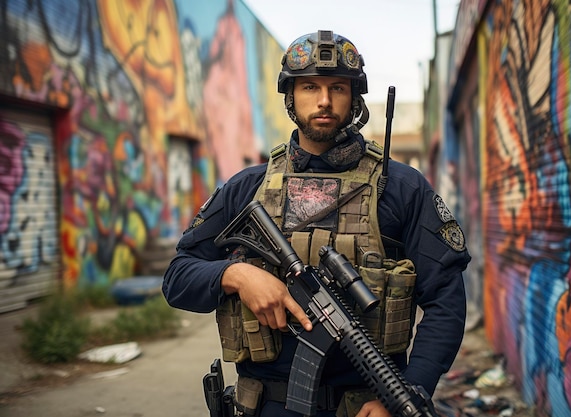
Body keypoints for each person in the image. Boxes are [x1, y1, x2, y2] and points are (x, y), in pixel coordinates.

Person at [163, 30, 471, 417]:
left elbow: (446, 300)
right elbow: (177, 278)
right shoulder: (248, 188)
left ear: (354, 98)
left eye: (337, 88)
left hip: (368, 406)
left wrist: (407, 393)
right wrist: (238, 275)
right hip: (265, 405)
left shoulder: (401, 188)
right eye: (310, 87)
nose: (324, 101)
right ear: (291, 98)